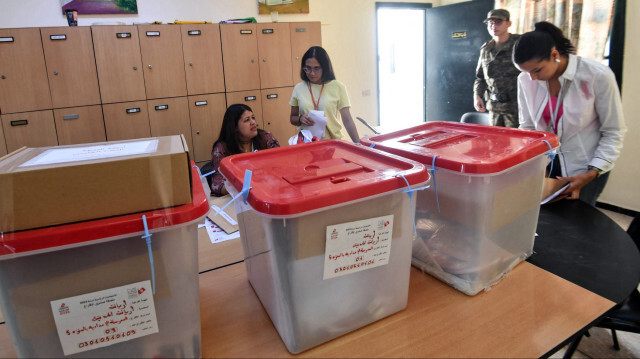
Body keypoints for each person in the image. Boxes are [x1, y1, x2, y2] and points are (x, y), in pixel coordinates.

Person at [512, 21, 626, 206]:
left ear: (554, 54)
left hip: (586, 166)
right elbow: (528, 127)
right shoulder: (525, 79)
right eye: (526, 72)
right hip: (547, 163)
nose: (532, 78)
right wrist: (529, 165)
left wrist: (591, 173)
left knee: (579, 223)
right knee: (545, 219)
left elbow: (614, 132)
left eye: (536, 70)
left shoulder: (597, 76)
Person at [289, 46, 360, 143]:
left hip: (332, 143)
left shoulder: (338, 87)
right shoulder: (299, 88)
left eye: (316, 68)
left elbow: (347, 120)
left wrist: (358, 144)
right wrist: (300, 119)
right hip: (307, 143)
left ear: (325, 68)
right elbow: (292, 118)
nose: (312, 73)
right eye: (308, 68)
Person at [210, 104, 280, 196]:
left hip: (267, 191)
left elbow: (280, 165)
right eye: (247, 120)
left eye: (253, 118)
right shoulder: (222, 148)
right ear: (235, 127)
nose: (253, 122)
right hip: (238, 197)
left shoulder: (266, 138)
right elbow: (216, 183)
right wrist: (240, 187)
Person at [473, 9, 522, 128]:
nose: (493, 26)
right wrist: (477, 95)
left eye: (498, 22)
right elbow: (480, 77)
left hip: (517, 108)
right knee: (495, 143)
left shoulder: (520, 43)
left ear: (509, 23)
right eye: (490, 23)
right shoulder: (486, 49)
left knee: (518, 144)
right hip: (494, 108)